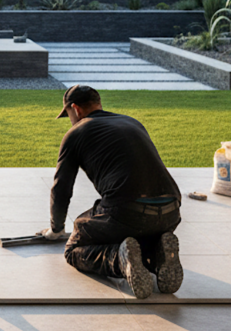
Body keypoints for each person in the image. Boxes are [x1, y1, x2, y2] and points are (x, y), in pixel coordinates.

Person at [41, 85, 183, 299]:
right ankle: (157, 253)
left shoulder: (76, 133)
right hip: (171, 212)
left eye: (68, 114)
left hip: (127, 211)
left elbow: (62, 188)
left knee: (74, 248)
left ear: (76, 109)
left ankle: (120, 260)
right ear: (98, 104)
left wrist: (56, 229)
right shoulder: (132, 122)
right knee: (136, 235)